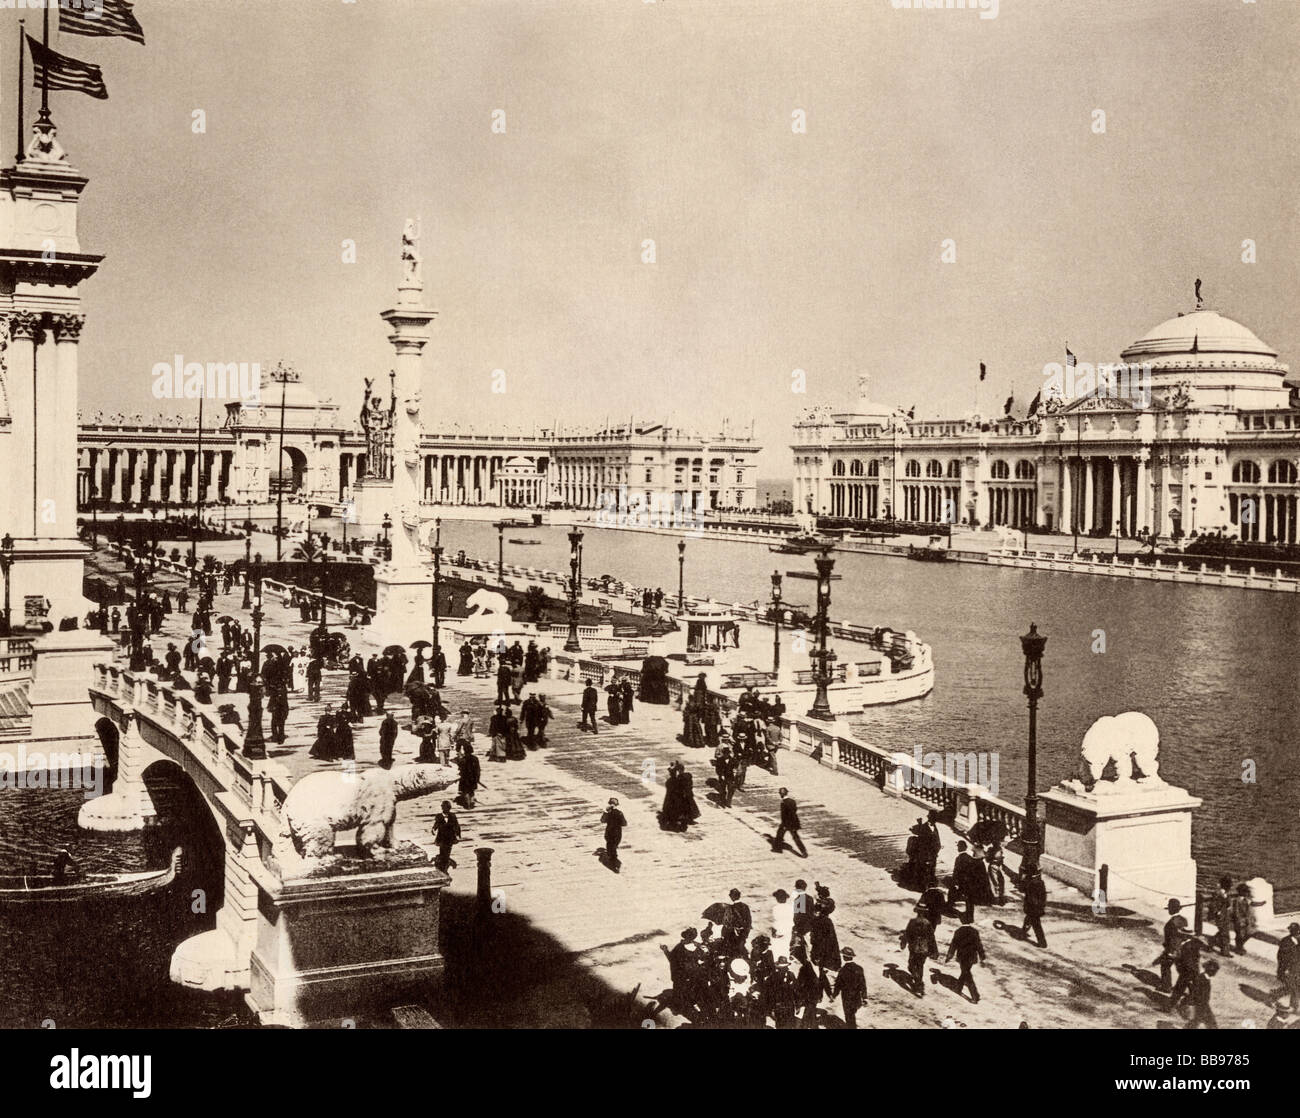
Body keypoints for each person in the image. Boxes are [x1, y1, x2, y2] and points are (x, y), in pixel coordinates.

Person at [945, 914, 987, 1004]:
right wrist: (982, 956)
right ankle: (958, 988)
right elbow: (978, 945)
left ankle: (975, 996)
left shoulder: (958, 931)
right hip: (972, 957)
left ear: (961, 921)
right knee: (965, 972)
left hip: (962, 957)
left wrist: (949, 955)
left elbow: (953, 945)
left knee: (967, 974)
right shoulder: (974, 931)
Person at [900, 905, 938, 997]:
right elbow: (932, 938)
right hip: (924, 948)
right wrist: (934, 950)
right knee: (920, 965)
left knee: (912, 965)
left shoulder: (912, 922)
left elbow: (907, 933)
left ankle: (919, 984)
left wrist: (903, 943)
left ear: (917, 912)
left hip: (914, 947)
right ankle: (919, 982)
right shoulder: (928, 923)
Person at [1156, 899, 1190, 992]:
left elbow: (1172, 939)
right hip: (1182, 949)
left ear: (1171, 909)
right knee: (1183, 971)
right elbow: (1186, 935)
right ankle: (1190, 991)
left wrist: (1170, 951)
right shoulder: (1183, 920)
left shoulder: (1171, 923)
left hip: (1172, 950)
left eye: (1169, 907)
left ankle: (1166, 987)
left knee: (1165, 966)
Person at [833, 947, 867, 1028]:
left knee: (849, 1017)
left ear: (844, 957)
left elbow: (838, 985)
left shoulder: (843, 970)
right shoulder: (859, 968)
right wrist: (864, 997)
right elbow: (863, 984)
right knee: (852, 1015)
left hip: (847, 998)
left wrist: (834, 995)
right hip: (856, 997)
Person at [772, 787, 808, 857]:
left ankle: (778, 849)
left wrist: (784, 824)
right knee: (796, 837)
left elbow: (784, 815)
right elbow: (794, 811)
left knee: (779, 834)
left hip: (787, 822)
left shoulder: (783, 803)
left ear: (781, 794)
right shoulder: (792, 801)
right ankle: (803, 851)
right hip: (794, 821)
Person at [1184, 959, 1219, 1029]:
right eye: (1215, 970)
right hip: (1200, 1005)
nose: (1216, 973)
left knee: (1196, 1023)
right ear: (1210, 970)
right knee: (1209, 1023)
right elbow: (1195, 992)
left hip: (1203, 1005)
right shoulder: (1201, 978)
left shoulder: (1204, 978)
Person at [721, 888, 752, 959]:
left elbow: (728, 922)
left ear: (731, 897)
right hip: (744, 932)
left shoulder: (730, 908)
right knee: (741, 947)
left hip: (734, 933)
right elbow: (749, 921)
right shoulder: (745, 906)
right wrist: (745, 932)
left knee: (734, 950)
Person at [1021, 867, 1048, 947]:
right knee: (1028, 919)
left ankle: (1042, 943)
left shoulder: (1030, 883)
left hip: (1033, 908)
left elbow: (1027, 894)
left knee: (1036, 925)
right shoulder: (1040, 882)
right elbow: (1043, 895)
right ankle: (1023, 931)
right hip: (1039, 906)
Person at [1277, 922, 1300, 1014]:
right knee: (1293, 987)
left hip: (1298, 967)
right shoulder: (1285, 941)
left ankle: (1275, 995)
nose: (1296, 932)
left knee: (1295, 987)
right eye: (1292, 930)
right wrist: (1283, 969)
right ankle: (1293, 1007)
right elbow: (1280, 956)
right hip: (1289, 968)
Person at [431, 801, 461, 872]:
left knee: (448, 849)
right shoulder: (439, 816)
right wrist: (433, 829)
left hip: (450, 837)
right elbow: (436, 824)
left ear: (449, 808)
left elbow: (456, 825)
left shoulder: (453, 815)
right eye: (443, 807)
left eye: (447, 808)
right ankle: (443, 862)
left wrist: (458, 834)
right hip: (441, 837)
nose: (445, 809)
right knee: (442, 849)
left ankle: (445, 861)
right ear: (442, 808)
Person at [1230, 882, 1258, 955]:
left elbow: (1250, 907)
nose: (1247, 893)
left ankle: (1239, 946)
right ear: (1241, 892)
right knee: (1240, 935)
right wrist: (1239, 920)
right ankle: (1239, 948)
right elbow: (1236, 912)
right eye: (1246, 892)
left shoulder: (1246, 900)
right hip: (1240, 921)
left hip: (1247, 921)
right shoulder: (1237, 901)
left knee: (1249, 933)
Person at [1210, 875, 1233, 957]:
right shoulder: (1220, 894)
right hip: (1221, 916)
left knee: (1223, 932)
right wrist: (1217, 911)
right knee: (1225, 934)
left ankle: (1212, 942)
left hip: (1223, 916)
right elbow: (1216, 905)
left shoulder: (1221, 893)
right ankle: (1225, 951)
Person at [601, 797, 626, 869]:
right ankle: (615, 862)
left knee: (610, 845)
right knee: (614, 846)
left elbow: (602, 820)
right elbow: (624, 823)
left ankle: (612, 860)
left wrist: (605, 812)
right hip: (617, 832)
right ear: (617, 804)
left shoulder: (608, 813)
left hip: (609, 832)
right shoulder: (619, 813)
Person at [457, 742, 481, 809]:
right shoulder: (475, 759)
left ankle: (468, 803)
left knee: (465, 791)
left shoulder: (463, 760)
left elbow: (459, 768)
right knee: (471, 790)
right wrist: (478, 777)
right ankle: (472, 801)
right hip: (473, 777)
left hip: (465, 778)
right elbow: (478, 769)